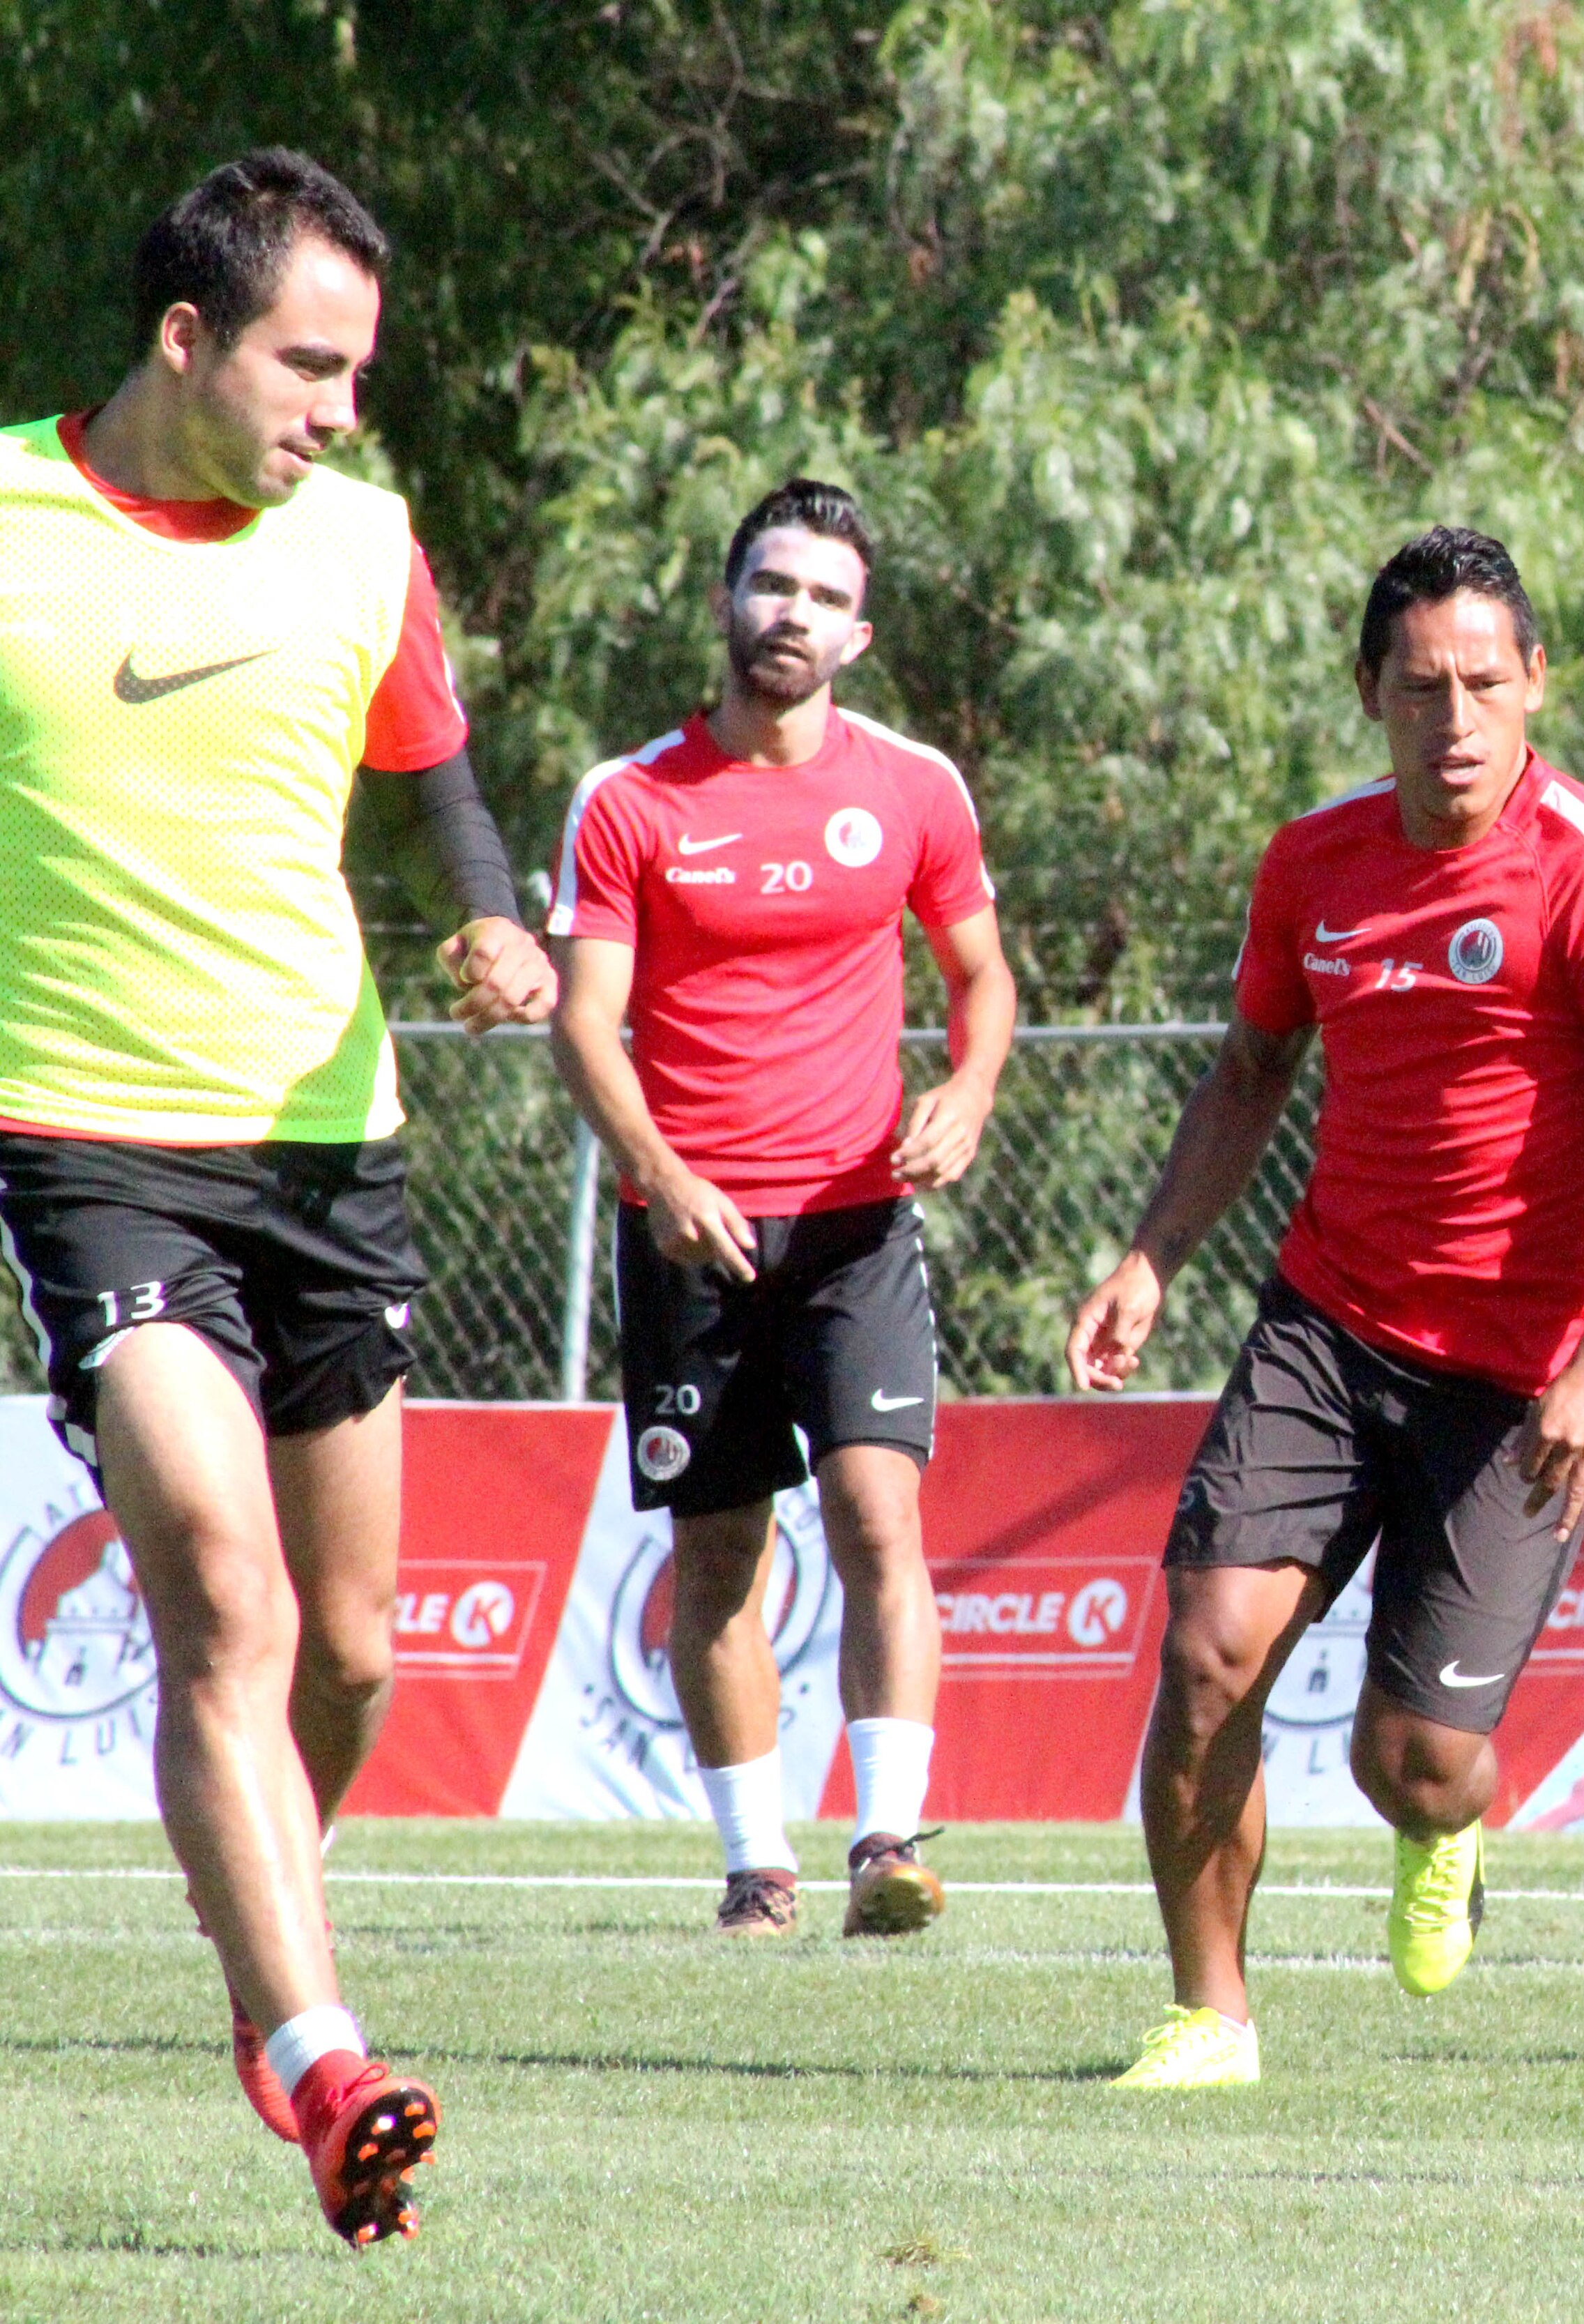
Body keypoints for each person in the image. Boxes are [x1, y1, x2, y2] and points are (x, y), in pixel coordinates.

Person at [0, 151, 554, 2246]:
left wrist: (492, 924)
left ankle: (268, 1963)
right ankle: (324, 2053)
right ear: (183, 340)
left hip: (331, 1146)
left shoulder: (364, 545)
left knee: (349, 1649)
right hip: (85, 1142)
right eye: (307, 366)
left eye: (357, 372)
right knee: (217, 1592)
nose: (339, 408)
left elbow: (436, 791)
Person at [1067, 526, 1584, 2088]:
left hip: (1525, 1375)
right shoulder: (1314, 862)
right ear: (1370, 691)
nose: (1457, 716)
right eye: (1421, 685)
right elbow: (1247, 1075)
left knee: (1411, 1758)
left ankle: (1449, 1828)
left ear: (1534, 680)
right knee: (1211, 1653)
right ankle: (1211, 2012)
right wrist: (1152, 1253)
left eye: (1486, 680)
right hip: (1328, 1322)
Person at [547, 478, 1014, 1941]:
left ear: (856, 635)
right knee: (718, 1554)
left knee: (879, 1509)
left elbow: (983, 975)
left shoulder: (914, 788)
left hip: (856, 1220)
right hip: (690, 1228)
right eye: (769, 585)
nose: (789, 614)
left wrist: (972, 1086)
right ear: (725, 602)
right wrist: (666, 1175)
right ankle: (758, 1864)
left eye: (820, 596)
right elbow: (583, 1020)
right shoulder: (629, 799)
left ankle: (888, 1841)